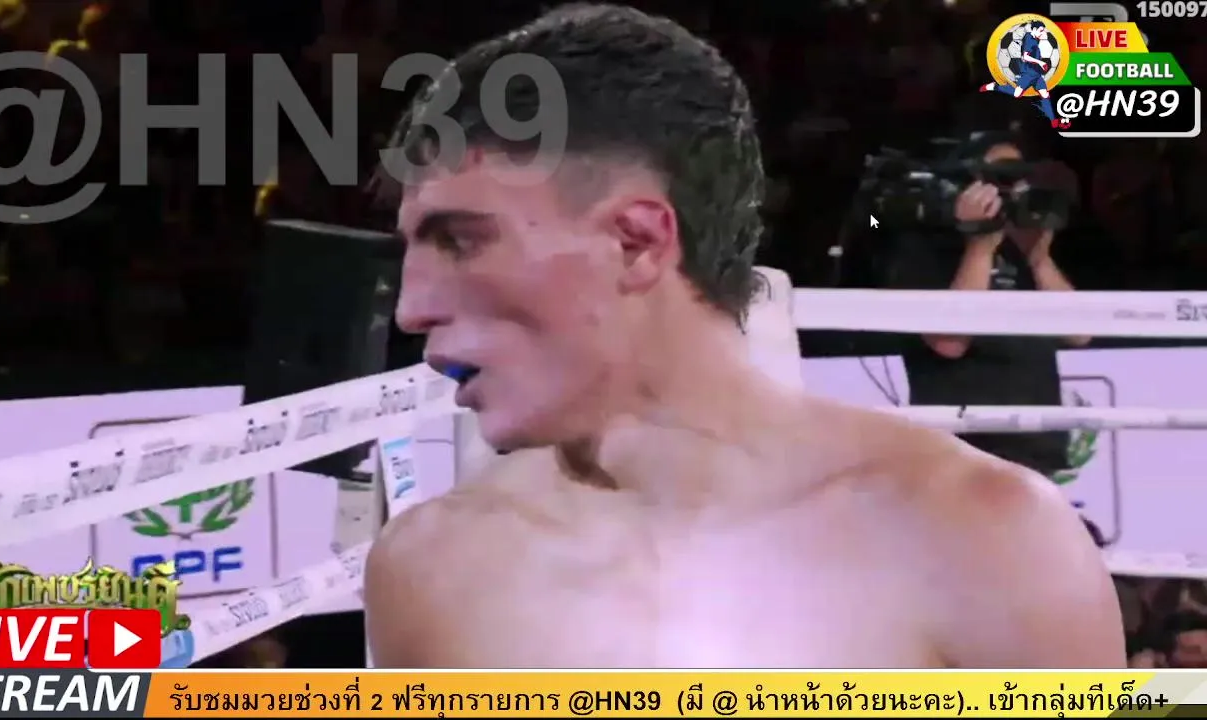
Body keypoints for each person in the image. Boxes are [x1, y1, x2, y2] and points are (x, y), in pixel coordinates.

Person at [366, 4, 1123, 668]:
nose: (411, 308)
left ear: (635, 243)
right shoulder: (429, 568)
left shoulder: (987, 541)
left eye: (459, 240)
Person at [891, 139, 1089, 483]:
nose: (1015, 188)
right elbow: (948, 343)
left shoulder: (1021, 248)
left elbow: (1080, 333)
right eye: (1002, 177)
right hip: (963, 452)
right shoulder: (924, 248)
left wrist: (1038, 259)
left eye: (1020, 176)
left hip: (1036, 448)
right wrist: (980, 248)